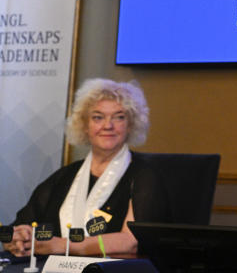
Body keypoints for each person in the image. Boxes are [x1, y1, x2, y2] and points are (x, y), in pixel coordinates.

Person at [3, 79, 169, 258]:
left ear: (130, 125)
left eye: (119, 117)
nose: (108, 125)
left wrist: (61, 246)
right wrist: (18, 239)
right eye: (98, 117)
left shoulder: (144, 176)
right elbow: (18, 227)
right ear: (85, 125)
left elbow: (132, 243)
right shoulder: (65, 176)